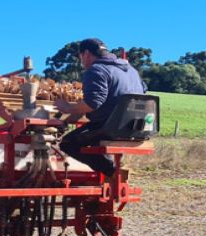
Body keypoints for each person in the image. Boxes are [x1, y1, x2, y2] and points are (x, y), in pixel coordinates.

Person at [54, 38, 147, 177]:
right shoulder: (131, 70)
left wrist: (67, 107)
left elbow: (93, 103)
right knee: (90, 136)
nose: (81, 61)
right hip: (135, 126)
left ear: (86, 54)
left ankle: (111, 171)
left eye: (80, 57)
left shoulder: (97, 70)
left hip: (110, 126)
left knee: (68, 143)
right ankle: (111, 171)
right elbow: (143, 91)